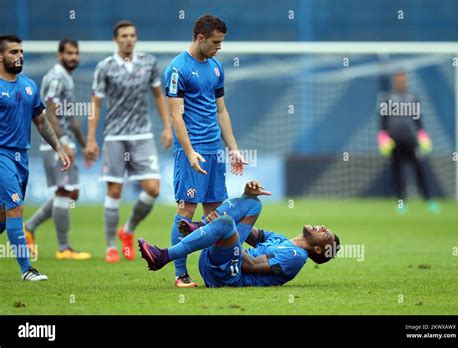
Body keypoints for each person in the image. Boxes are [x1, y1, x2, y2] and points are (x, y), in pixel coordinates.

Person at [163, 14, 246, 287]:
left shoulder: (216, 68)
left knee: (214, 213)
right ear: (200, 38)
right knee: (186, 210)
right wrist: (188, 152)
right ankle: (179, 273)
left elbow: (221, 110)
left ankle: (214, 270)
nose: (218, 48)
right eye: (215, 42)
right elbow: (175, 116)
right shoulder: (177, 69)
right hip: (192, 151)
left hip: (214, 152)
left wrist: (232, 148)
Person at [138, 181, 340, 287]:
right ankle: (201, 226)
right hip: (221, 261)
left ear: (317, 249)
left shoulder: (294, 257)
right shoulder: (282, 240)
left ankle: (163, 256)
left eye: (326, 234)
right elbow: (249, 230)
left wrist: (225, 233)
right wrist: (246, 195)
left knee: (226, 223)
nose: (322, 227)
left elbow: (250, 265)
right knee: (253, 204)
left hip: (229, 275)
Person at [84, 20, 172, 263]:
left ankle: (128, 229)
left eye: (132, 35)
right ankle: (111, 246)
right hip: (115, 135)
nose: (129, 39)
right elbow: (96, 103)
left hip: (142, 134)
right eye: (124, 35)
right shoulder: (105, 67)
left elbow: (158, 95)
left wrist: (167, 126)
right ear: (116, 39)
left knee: (153, 189)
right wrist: (91, 138)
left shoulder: (148, 62)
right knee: (114, 190)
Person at [0, 35, 70, 281]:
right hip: (2, 156)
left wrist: (58, 148)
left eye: (21, 51)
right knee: (16, 209)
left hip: (21, 157)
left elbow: (40, 121)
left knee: (3, 216)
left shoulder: (29, 85)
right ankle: (27, 270)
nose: (19, 56)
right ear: (1, 56)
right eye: (13, 52)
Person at [24, 39, 91, 260]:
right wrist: (61, 144)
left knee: (72, 192)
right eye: (69, 53)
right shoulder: (55, 77)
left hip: (66, 142)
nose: (73, 57)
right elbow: (49, 112)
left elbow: (70, 119)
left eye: (76, 53)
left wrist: (84, 145)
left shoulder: (67, 79)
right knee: (64, 192)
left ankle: (29, 227)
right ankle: (64, 249)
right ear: (59, 55)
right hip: (55, 144)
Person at [377, 71, 440, 214]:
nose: (401, 81)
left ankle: (429, 201)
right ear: (394, 80)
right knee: (397, 173)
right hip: (394, 142)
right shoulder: (387, 98)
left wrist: (423, 135)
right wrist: (382, 136)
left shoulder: (413, 97)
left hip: (411, 140)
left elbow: (418, 119)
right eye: (398, 79)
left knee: (419, 170)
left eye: (403, 79)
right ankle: (401, 203)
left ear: (406, 80)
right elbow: (383, 120)